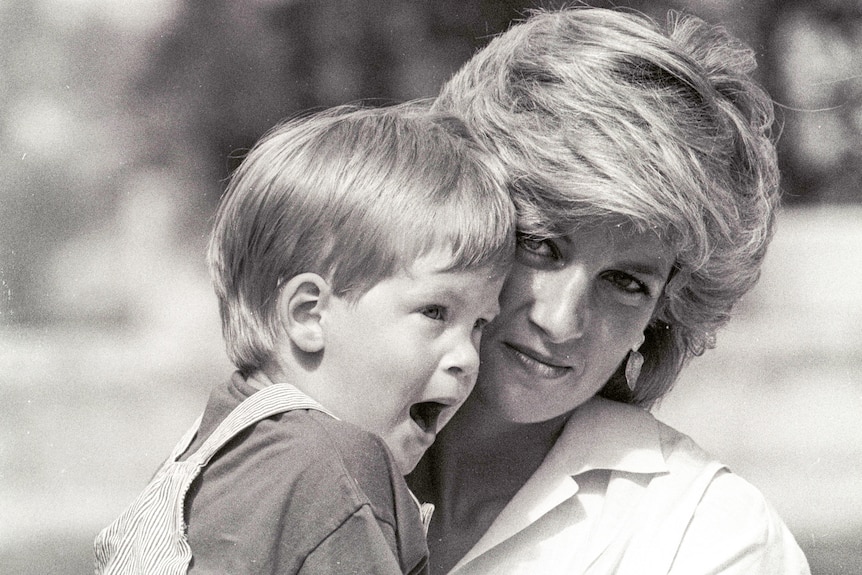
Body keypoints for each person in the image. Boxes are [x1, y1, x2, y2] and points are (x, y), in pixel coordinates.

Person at [407, 7, 811, 574]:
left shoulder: (705, 535)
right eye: (540, 244)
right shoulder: (299, 442)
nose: (559, 321)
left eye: (625, 282)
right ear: (462, 210)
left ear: (663, 311)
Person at [94, 103, 515, 574]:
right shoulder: (337, 470)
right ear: (309, 315)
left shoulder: (215, 450)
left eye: (480, 325)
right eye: (435, 312)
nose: (467, 358)